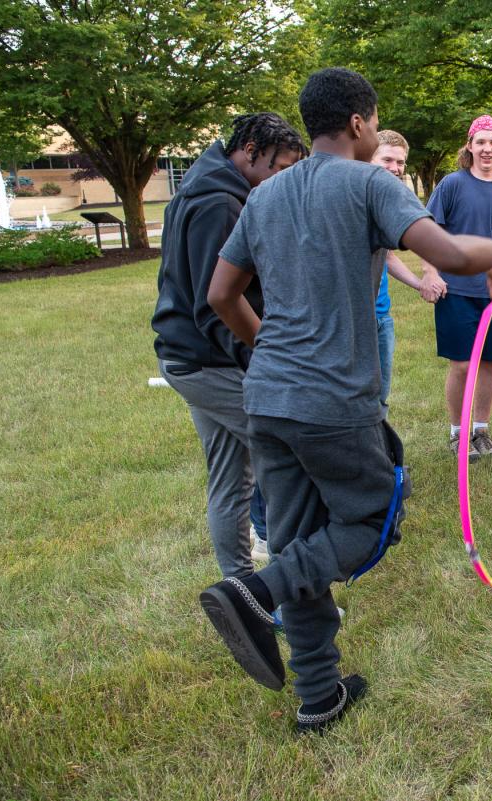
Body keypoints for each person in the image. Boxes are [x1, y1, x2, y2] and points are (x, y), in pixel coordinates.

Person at [201, 67, 492, 733]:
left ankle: (319, 695)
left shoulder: (263, 196)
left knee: (294, 540)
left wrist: (267, 352)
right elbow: (455, 254)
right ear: (357, 123)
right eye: (375, 122)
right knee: (372, 520)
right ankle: (253, 592)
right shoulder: (374, 182)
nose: (376, 131)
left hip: (270, 396)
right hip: (333, 399)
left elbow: (221, 296)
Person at [151, 112, 307, 580]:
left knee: (231, 478)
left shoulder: (211, 185)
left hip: (190, 358)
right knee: (289, 466)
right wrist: (265, 357)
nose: (280, 180)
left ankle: (241, 590)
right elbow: (213, 303)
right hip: (207, 362)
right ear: (251, 148)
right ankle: (289, 594)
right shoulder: (220, 203)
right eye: (278, 168)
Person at [421, 115, 492, 460]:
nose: (487, 149)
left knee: (488, 364)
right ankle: (458, 432)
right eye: (480, 142)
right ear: (469, 146)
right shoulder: (451, 184)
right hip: (456, 290)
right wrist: (430, 273)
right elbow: (427, 233)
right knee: (463, 365)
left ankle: (480, 429)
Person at [370, 130, 449, 414]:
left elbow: (387, 255)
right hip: (354, 320)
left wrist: (420, 283)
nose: (395, 168)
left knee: (380, 396)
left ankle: (384, 458)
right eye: (387, 159)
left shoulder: (386, 200)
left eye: (400, 162)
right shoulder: (357, 197)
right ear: (369, 157)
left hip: (381, 315)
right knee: (354, 399)